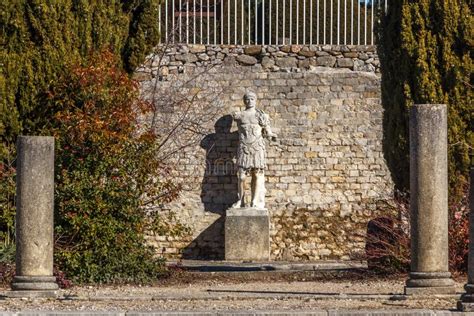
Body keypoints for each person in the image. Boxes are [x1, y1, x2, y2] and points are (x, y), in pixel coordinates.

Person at [231, 91, 277, 209]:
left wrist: (271, 135)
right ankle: (240, 200)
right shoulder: (239, 115)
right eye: (247, 99)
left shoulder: (262, 115)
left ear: (255, 100)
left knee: (257, 174)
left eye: (252, 99)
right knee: (241, 176)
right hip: (244, 147)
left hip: (257, 147)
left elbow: (267, 131)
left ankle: (255, 202)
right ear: (244, 101)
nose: (249, 101)